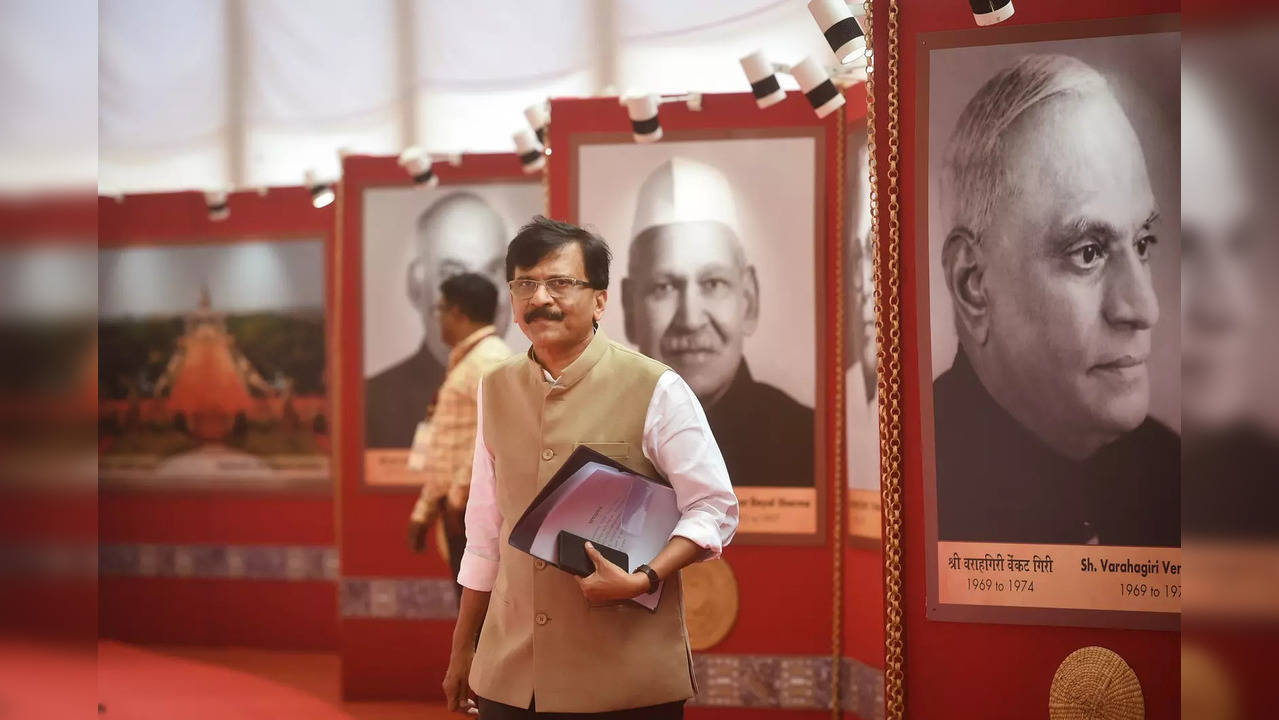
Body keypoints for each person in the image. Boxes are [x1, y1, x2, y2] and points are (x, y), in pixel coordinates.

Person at [443, 216, 739, 718]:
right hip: (512, 674)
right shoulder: (495, 388)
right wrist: (461, 650)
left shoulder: (655, 387)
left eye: (560, 282)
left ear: (600, 299)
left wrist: (645, 577)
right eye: (525, 284)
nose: (540, 298)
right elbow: (484, 533)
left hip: (623, 676)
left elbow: (713, 508)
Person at [933, 54, 1179, 547]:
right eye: (1088, 253)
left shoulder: (1174, 474)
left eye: (1143, 244)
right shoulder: (919, 479)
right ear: (972, 284)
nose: (1144, 308)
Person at [620, 157, 813, 488]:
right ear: (629, 309)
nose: (691, 320)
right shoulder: (597, 436)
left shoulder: (809, 443)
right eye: (664, 287)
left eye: (713, 284)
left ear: (748, 300)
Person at [365, 192, 510, 448]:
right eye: (452, 273)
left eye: (494, 270)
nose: (476, 293)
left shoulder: (513, 378)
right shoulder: (375, 399)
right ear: (417, 283)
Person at [405, 273, 511, 598]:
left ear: (458, 313)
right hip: (457, 508)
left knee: (479, 619)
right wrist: (425, 510)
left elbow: (493, 434)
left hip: (471, 510)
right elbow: (450, 443)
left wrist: (457, 497)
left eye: (440, 310)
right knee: (469, 610)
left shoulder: (490, 360)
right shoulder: (472, 358)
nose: (438, 319)